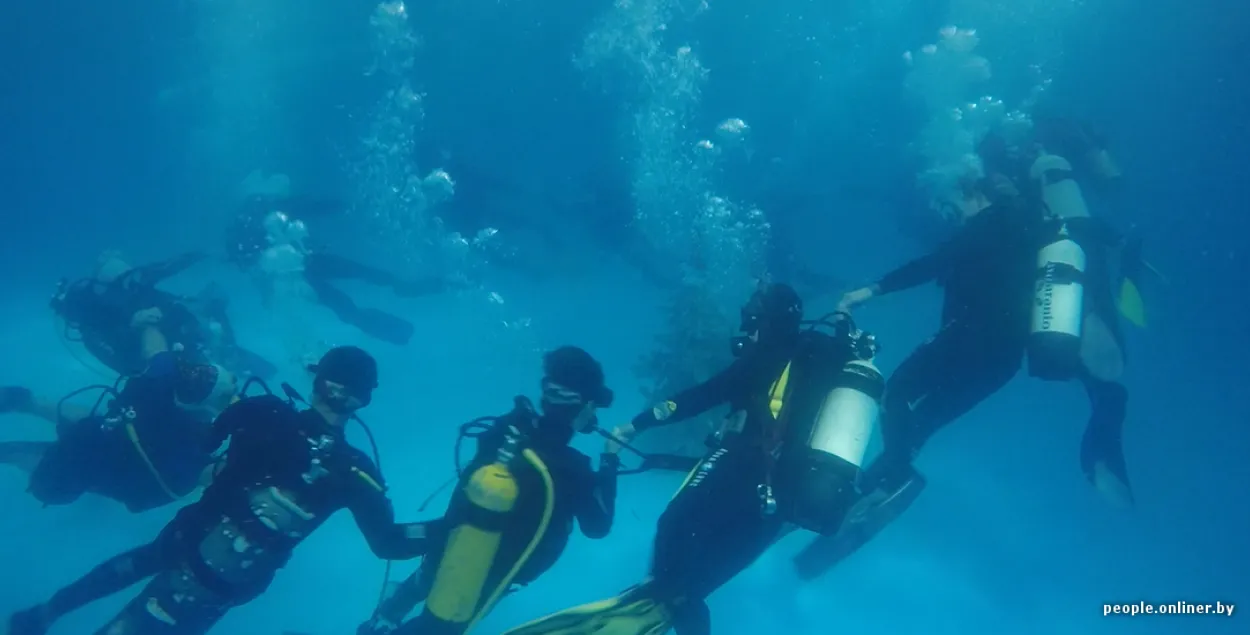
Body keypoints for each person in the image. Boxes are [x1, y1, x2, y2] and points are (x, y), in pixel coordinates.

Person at [793, 172, 1134, 581]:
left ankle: (895, 475)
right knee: (920, 424)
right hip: (1002, 361)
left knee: (894, 393)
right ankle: (881, 486)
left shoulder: (990, 222)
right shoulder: (1033, 232)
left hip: (969, 337)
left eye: (959, 203)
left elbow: (935, 262)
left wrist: (869, 292)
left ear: (976, 195)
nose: (956, 212)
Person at [500, 283, 884, 635]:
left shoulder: (767, 356)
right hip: (784, 497)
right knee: (713, 560)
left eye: (753, 314)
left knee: (676, 521)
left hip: (744, 464)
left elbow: (703, 395)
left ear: (767, 320)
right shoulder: (821, 356)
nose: (746, 321)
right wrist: (845, 312)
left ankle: (668, 590)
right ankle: (682, 599)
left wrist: (635, 425)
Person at [5, 346, 428, 635]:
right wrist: (461, 520)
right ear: (364, 400)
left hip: (183, 537)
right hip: (227, 582)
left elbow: (201, 447)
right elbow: (390, 544)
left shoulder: (260, 410)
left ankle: (46, 614)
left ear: (318, 381)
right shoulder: (357, 472)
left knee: (135, 565)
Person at [358, 346, 621, 635]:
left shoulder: (507, 429)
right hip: (490, 574)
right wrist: (610, 460)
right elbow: (598, 526)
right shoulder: (573, 470)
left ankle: (387, 614)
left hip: (451, 539)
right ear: (582, 406)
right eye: (593, 406)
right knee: (437, 629)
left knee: (427, 579)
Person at [0, 351, 235, 513]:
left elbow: (156, 350)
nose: (194, 375)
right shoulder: (191, 437)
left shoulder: (159, 383)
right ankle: (22, 420)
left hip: (103, 447)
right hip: (105, 460)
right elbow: (209, 473)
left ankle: (28, 406)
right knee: (84, 446)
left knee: (91, 432)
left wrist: (147, 322)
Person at [227, 198, 450, 346]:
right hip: (302, 270)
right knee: (351, 286)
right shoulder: (261, 215)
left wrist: (337, 205)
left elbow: (252, 266)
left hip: (306, 265)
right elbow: (308, 208)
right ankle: (392, 297)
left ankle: (391, 297)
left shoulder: (252, 220)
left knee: (349, 289)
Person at [51, 252, 276, 380]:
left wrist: (196, 254)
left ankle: (254, 370)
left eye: (132, 277)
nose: (132, 285)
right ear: (108, 287)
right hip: (160, 364)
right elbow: (121, 361)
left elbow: (164, 267)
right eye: (124, 282)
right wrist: (133, 327)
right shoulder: (97, 319)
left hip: (184, 339)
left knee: (214, 307)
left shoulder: (137, 284)